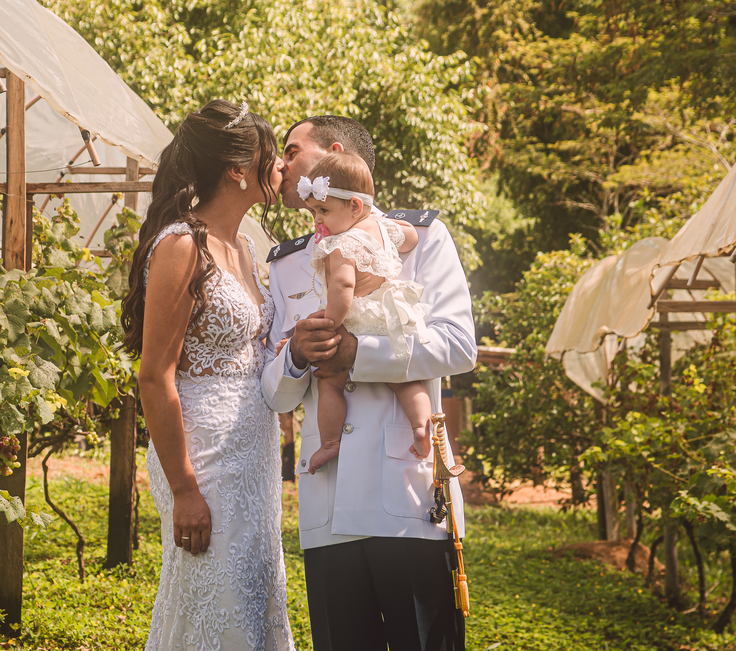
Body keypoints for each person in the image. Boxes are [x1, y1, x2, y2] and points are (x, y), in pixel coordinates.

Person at [260, 115, 476, 651]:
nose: (282, 164)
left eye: (293, 150)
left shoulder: (419, 238)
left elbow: (457, 345)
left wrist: (357, 353)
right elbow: (273, 392)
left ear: (333, 153)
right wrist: (297, 362)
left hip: (406, 500)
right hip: (327, 508)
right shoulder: (286, 265)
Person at [121, 99, 295, 651]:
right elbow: (154, 375)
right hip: (205, 460)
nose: (283, 168)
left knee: (252, 597)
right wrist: (184, 487)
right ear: (237, 170)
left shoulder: (244, 248)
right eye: (274, 155)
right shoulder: (181, 246)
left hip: (255, 456)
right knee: (216, 601)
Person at [295, 151, 431, 474]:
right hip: (391, 319)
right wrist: (388, 228)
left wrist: (330, 323)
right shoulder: (383, 229)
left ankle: (330, 443)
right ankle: (422, 426)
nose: (318, 221)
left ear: (354, 206)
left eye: (323, 211)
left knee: (329, 379)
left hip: (358, 321)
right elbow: (411, 237)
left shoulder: (340, 244)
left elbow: (342, 289)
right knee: (407, 382)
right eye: (314, 211)